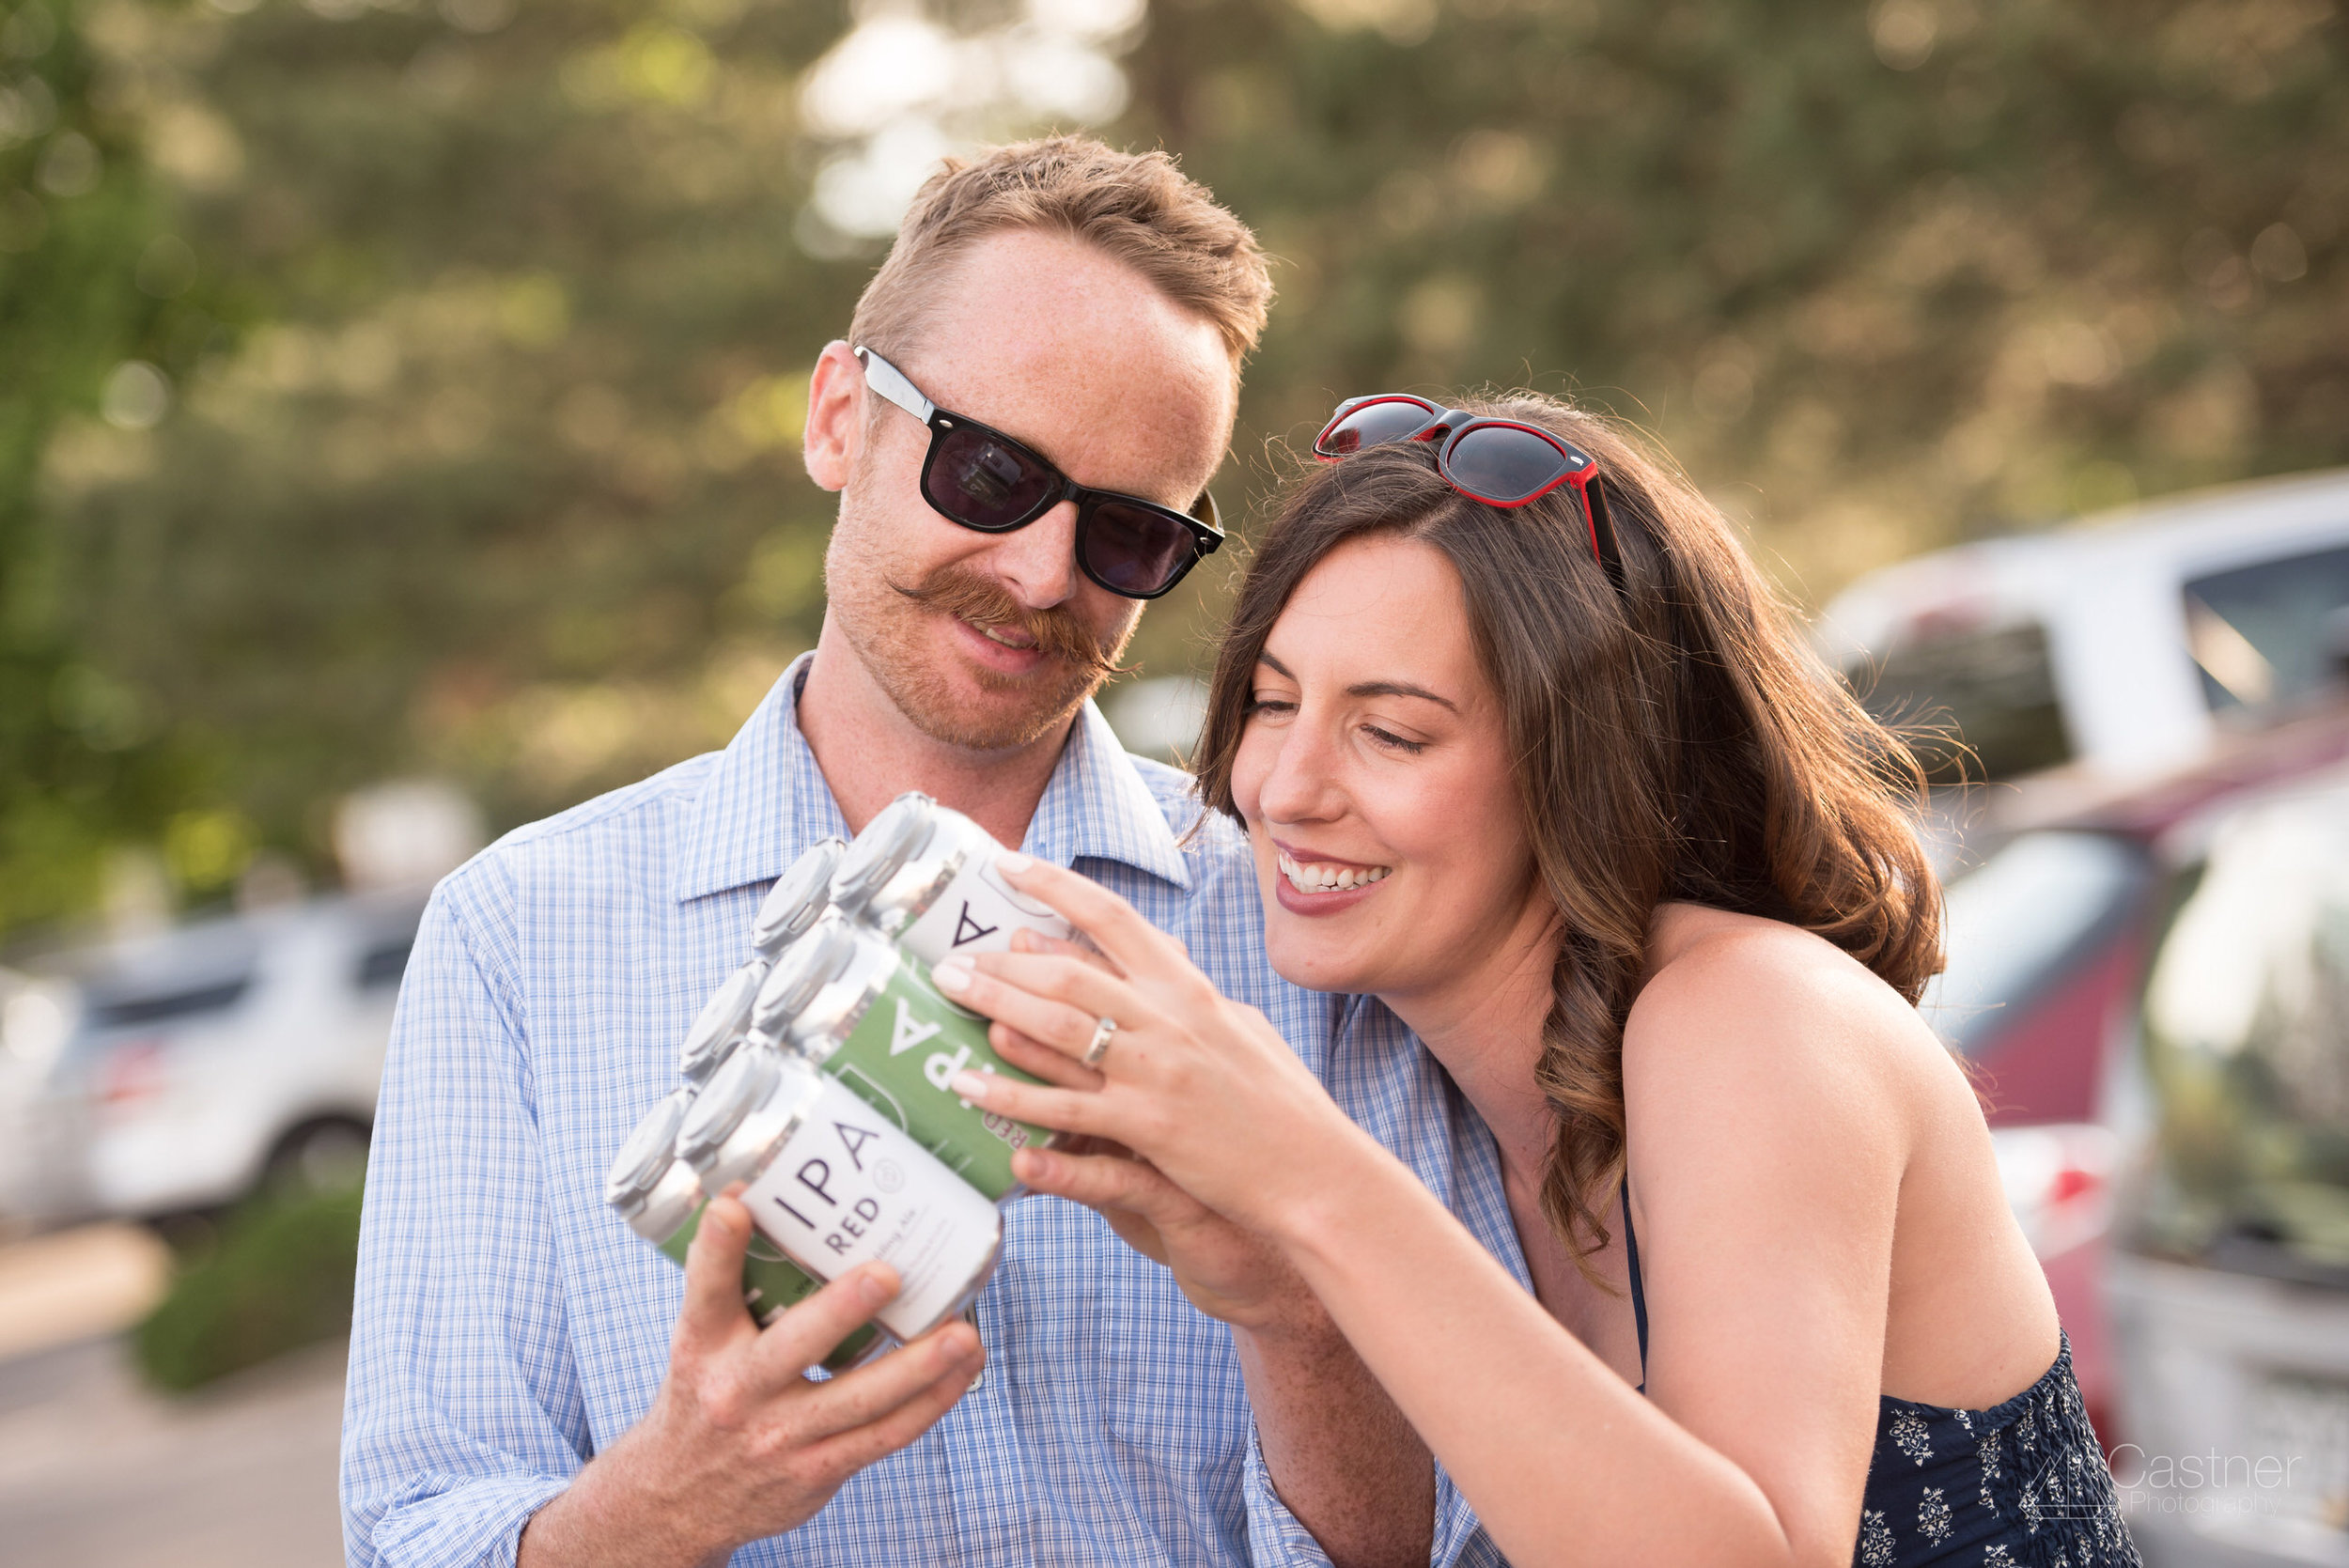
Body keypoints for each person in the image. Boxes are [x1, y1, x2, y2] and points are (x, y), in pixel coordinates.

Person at [340, 139, 1475, 1568]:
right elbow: (412, 1530)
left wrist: (1298, 1314)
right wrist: (665, 1503)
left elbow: (1468, 1536)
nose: (1042, 574)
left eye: (1128, 532)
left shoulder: (1309, 925)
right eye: (990, 472)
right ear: (838, 419)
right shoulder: (518, 935)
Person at [927, 391, 2142, 1567]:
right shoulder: (1447, 1096)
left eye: (1392, 731)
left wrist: (1310, 1179)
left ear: (1579, 764)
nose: (1288, 788)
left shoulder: (1750, 1018)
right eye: (1273, 701)